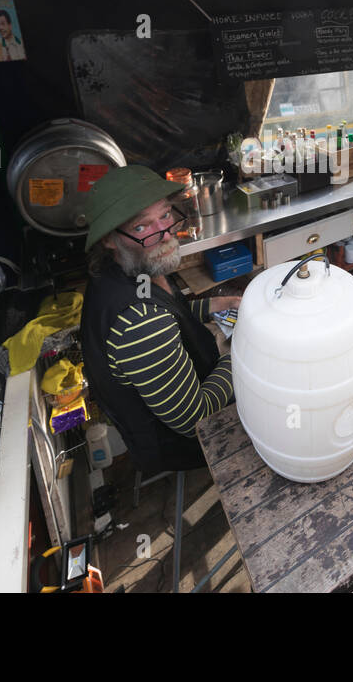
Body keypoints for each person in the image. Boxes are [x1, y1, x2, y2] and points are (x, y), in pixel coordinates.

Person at [78, 165, 241, 475]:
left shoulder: (126, 272)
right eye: (142, 227)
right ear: (110, 240)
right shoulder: (140, 324)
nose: (165, 233)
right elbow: (196, 421)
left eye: (165, 215)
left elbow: (173, 310)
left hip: (185, 390)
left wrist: (224, 303)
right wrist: (243, 356)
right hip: (181, 442)